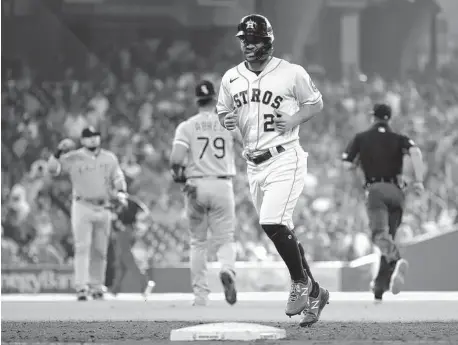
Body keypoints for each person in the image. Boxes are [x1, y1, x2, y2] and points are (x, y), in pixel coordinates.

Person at [216, 14, 329, 326]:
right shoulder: (231, 77)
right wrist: (225, 120)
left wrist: (294, 120)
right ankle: (317, 293)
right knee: (282, 229)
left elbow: (316, 103)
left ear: (267, 41)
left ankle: (300, 283)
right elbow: (223, 110)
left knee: (272, 222)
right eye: (244, 40)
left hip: (285, 156)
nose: (248, 44)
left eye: (253, 39)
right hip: (253, 163)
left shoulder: (291, 73)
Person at [342, 103, 425, 302]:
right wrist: (419, 181)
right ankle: (379, 287)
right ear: (389, 119)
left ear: (373, 117)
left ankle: (396, 262)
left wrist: (361, 183)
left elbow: (347, 165)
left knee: (380, 236)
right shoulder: (399, 138)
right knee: (388, 240)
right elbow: (416, 153)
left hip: (376, 190)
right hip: (397, 192)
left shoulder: (361, 138)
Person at [169, 80, 239, 306]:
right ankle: (227, 269)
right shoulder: (227, 123)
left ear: (196, 101)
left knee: (198, 243)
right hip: (222, 184)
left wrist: (181, 177)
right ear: (214, 99)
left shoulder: (186, 126)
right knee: (225, 238)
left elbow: (176, 160)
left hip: (196, 185)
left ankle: (201, 296)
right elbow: (248, 147)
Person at [47, 127, 128, 301]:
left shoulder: (109, 157)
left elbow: (118, 177)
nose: (92, 140)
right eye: (88, 137)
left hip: (104, 206)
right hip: (82, 205)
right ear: (82, 140)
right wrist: (58, 151)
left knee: (100, 249)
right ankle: (82, 287)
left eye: (95, 136)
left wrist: (121, 192)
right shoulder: (74, 157)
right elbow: (53, 170)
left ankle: (97, 286)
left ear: (100, 138)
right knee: (82, 247)